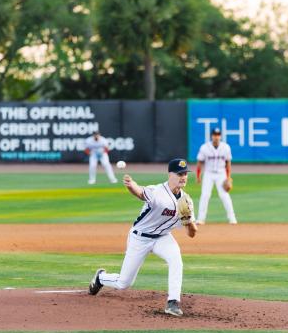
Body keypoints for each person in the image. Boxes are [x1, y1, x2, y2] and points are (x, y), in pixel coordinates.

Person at [88, 158, 198, 317]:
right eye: (180, 173)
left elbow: (191, 234)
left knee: (176, 260)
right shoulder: (157, 191)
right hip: (140, 238)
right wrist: (131, 184)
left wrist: (188, 221)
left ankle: (172, 302)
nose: (184, 177)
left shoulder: (186, 200)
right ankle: (101, 278)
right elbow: (140, 192)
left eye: (185, 174)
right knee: (124, 283)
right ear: (170, 174)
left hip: (162, 238)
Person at [196, 127, 237, 224]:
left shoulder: (226, 147)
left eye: (218, 135)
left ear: (220, 136)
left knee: (224, 195)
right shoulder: (204, 147)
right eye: (215, 135)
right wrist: (198, 176)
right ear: (211, 136)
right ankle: (201, 219)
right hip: (208, 173)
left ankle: (232, 218)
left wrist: (228, 177)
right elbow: (199, 163)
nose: (216, 137)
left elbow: (228, 163)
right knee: (205, 195)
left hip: (221, 174)